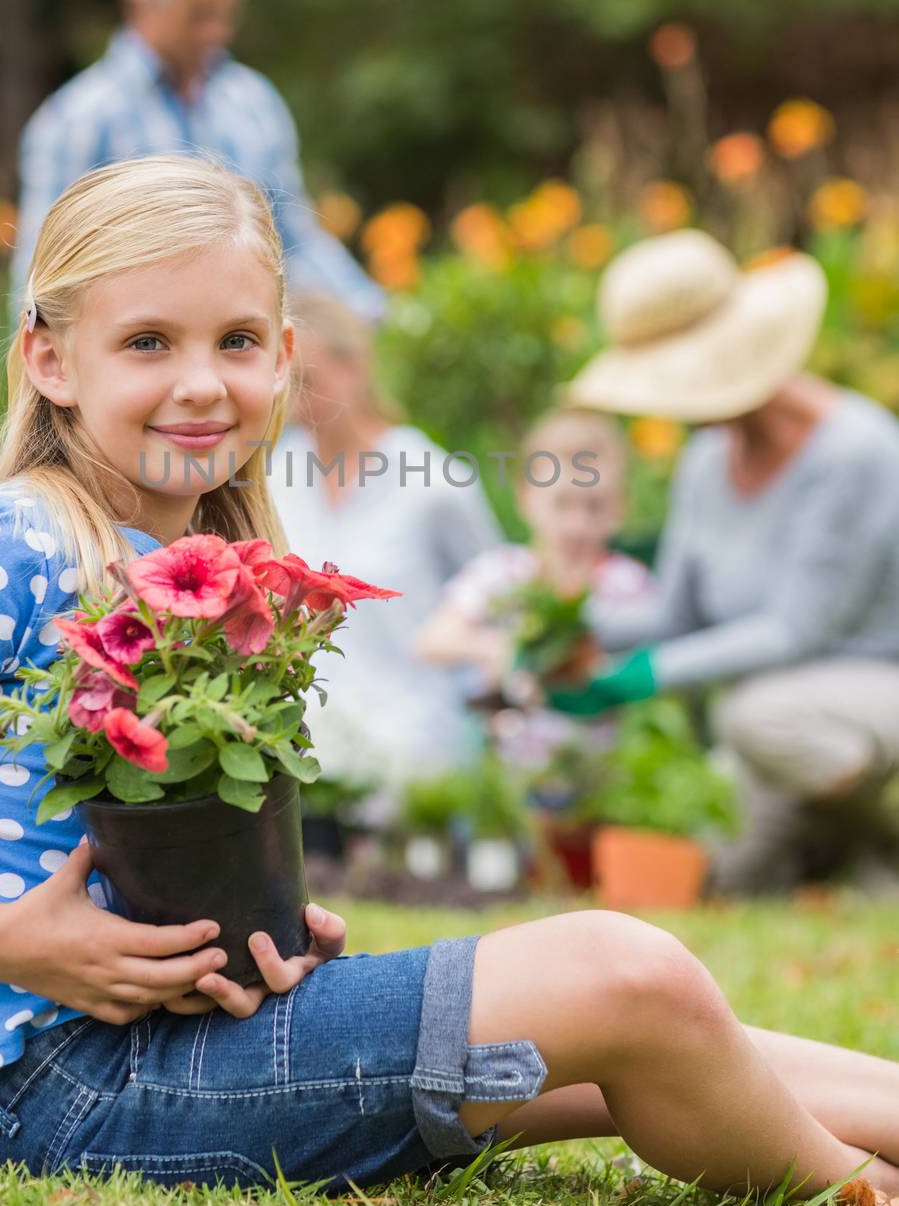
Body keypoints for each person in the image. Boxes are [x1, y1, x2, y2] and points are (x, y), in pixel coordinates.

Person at [0, 160, 899, 1202]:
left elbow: (152, 830)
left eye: (238, 340)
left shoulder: (209, 559)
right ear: (52, 360)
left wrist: (256, 908)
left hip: (198, 1029)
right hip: (69, 1080)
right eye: (148, 341)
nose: (202, 380)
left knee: (676, 1026)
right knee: (630, 976)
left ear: (286, 357)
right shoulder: (8, 545)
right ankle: (857, 1194)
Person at [554, 229, 899, 894]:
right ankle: (845, 849)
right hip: (793, 724)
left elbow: (798, 630)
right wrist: (569, 627)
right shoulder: (706, 462)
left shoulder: (854, 454)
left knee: (753, 715)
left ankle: (880, 834)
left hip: (869, 687)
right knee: (724, 875)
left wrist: (640, 676)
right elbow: (675, 613)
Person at [10, 0, 383, 320]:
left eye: (226, 15)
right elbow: (39, 279)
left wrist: (374, 314)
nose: (217, 32)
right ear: (139, 3)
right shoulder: (80, 119)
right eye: (200, 16)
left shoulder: (253, 102)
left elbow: (295, 240)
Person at [268, 292, 502, 810]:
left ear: (356, 365)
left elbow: (498, 593)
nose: (296, 403)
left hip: (413, 761)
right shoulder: (276, 475)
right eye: (285, 383)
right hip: (303, 753)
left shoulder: (433, 481)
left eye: (309, 381)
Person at [416, 409, 651, 772]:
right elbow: (432, 640)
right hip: (513, 775)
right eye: (561, 504)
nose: (577, 525)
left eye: (594, 506)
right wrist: (498, 647)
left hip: (606, 773)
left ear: (620, 506)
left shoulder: (627, 584)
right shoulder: (506, 573)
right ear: (527, 498)